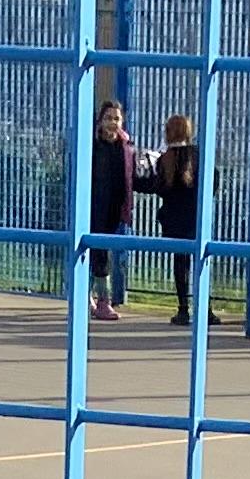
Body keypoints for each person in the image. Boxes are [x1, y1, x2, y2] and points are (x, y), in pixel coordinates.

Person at [148, 113, 208, 325]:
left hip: (174, 219)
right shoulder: (199, 155)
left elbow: (160, 188)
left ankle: (183, 309)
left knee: (180, 264)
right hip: (197, 217)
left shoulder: (165, 159)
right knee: (202, 261)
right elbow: (214, 180)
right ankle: (206, 309)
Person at [89, 97, 140, 321]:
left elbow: (132, 178)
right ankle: (103, 300)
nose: (113, 123)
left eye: (117, 119)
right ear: (100, 121)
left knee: (105, 253)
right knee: (98, 253)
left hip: (116, 208)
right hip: (94, 206)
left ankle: (93, 297)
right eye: (108, 118)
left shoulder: (126, 148)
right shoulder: (92, 145)